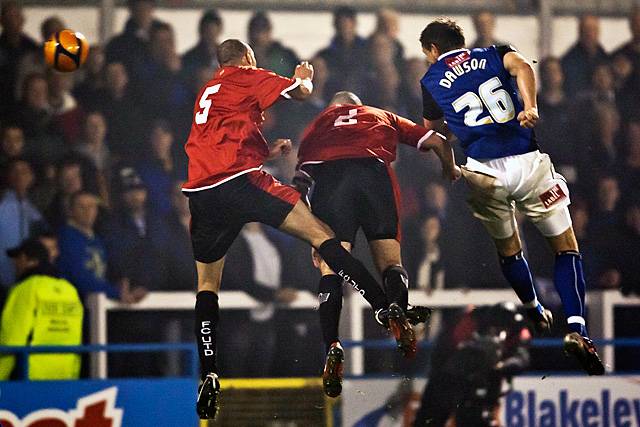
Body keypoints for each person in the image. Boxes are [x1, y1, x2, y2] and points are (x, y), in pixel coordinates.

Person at [182, 39, 406, 419]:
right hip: (241, 183)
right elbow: (299, 94)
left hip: (202, 193)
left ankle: (208, 373)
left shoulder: (208, 89)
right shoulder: (247, 75)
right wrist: (304, 78)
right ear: (248, 57)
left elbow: (220, 140)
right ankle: (384, 306)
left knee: (207, 284)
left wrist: (264, 153)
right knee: (322, 235)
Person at [418, 18, 604, 375]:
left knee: (510, 249)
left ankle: (533, 305)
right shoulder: (493, 53)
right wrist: (530, 107)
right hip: (526, 162)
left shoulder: (429, 80)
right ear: (462, 41)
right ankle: (578, 330)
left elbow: (433, 132)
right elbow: (522, 68)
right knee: (566, 247)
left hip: (484, 172)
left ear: (432, 50)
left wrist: (451, 161)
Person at [293, 90, 457, 397]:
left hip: (332, 180)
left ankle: (332, 344)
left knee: (331, 268)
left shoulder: (320, 122)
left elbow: (301, 178)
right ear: (359, 107)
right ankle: (397, 307)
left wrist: (310, 230)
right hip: (374, 176)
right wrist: (450, 169)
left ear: (334, 107)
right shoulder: (381, 115)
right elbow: (437, 140)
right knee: (391, 263)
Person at [413, 302, 531, 427]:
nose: (500, 333)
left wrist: (500, 366)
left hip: (485, 384)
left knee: (472, 419)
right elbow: (444, 351)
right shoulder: (471, 321)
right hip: (449, 378)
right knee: (429, 419)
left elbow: (522, 359)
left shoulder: (519, 330)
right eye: (497, 328)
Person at [0, 238, 83, 380]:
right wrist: (73, 375)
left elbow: (12, 340)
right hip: (65, 375)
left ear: (25, 258)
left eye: (16, 259)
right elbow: (76, 338)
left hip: (30, 377)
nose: (14, 264)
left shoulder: (26, 288)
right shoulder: (70, 290)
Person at [0, 158, 43, 288]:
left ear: (31, 176)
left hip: (26, 279)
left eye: (24, 171)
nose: (19, 176)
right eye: (14, 171)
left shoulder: (34, 208)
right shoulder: (2, 202)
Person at [561, 14, 608, 95]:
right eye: (586, 30)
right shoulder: (569, 60)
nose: (590, 34)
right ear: (580, 32)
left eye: (593, 30)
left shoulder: (606, 59)